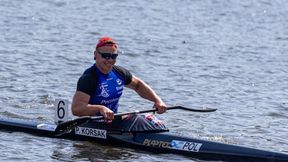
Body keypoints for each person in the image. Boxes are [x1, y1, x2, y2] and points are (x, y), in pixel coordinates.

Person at [71, 37, 167, 120]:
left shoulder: (119, 73)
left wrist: (157, 100)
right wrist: (100, 108)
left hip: (112, 122)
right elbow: (77, 109)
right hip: (91, 123)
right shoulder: (89, 78)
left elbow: (138, 85)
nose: (110, 60)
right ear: (95, 55)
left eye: (114, 56)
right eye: (106, 56)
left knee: (143, 118)